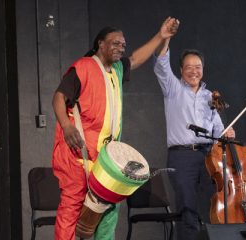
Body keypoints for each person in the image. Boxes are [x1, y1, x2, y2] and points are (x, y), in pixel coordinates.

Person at [51, 17, 179, 240]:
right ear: (100, 44)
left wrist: (161, 37)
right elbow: (59, 97)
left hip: (105, 158)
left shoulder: (117, 69)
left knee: (109, 208)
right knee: (71, 208)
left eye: (123, 45)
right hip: (77, 154)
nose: (120, 48)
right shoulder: (84, 66)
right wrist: (67, 125)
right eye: (115, 43)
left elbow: (136, 59)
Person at [153, 35, 235, 239]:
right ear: (181, 70)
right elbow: (162, 63)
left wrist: (226, 134)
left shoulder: (210, 97)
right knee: (187, 208)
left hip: (209, 156)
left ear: (203, 69)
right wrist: (165, 38)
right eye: (188, 67)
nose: (193, 71)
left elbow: (217, 130)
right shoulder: (173, 89)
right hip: (182, 157)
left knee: (216, 204)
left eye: (197, 67)